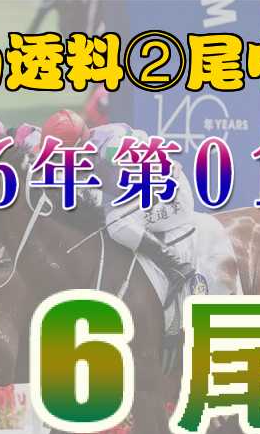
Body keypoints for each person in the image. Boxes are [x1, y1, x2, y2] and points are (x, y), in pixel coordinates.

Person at [40, 109, 196, 299]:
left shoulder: (110, 148)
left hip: (171, 197)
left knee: (116, 222)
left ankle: (175, 265)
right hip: (152, 193)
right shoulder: (90, 146)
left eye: (60, 155)